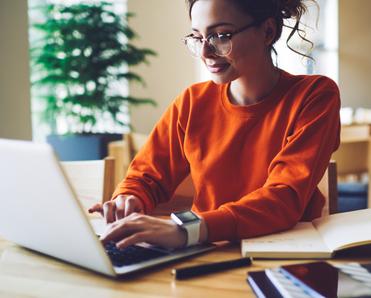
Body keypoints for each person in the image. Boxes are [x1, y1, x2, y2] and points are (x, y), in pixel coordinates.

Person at [89, 0, 340, 250]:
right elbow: (145, 177)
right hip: (206, 251)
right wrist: (128, 199)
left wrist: (188, 229)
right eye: (198, 38)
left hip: (288, 255)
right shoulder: (191, 102)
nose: (205, 53)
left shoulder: (315, 95)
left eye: (221, 36)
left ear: (268, 31)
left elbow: (283, 198)